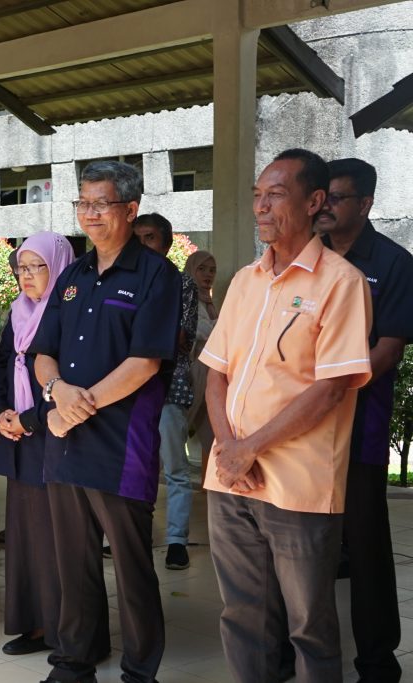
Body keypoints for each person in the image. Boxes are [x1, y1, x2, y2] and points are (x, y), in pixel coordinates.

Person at [201, 148, 372, 683]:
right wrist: (230, 448)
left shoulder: (341, 283)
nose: (260, 207)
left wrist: (250, 448)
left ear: (314, 201)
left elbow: (332, 387)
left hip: (298, 483)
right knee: (243, 615)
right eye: (257, 195)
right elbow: (217, 373)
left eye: (275, 194)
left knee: (309, 627)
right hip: (231, 480)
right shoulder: (246, 281)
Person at [30, 160, 180, 683]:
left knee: (133, 566)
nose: (89, 214)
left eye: (101, 204)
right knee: (74, 561)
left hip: (122, 444)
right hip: (65, 440)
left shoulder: (158, 275)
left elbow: (147, 362)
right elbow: (41, 351)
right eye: (83, 204)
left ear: (129, 209)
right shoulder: (72, 275)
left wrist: (77, 405)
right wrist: (56, 393)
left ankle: (140, 669)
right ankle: (75, 660)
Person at [317, 158, 413, 683]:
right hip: (300, 428)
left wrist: (325, 393)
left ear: (366, 203)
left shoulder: (394, 264)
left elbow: (388, 350)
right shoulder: (305, 257)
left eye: (336, 197)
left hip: (359, 425)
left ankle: (377, 663)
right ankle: (296, 651)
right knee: (301, 544)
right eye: (321, 196)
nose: (324, 206)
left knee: (367, 545)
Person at [0, 232, 89, 657]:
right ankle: (33, 625)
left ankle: (66, 631)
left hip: (56, 436)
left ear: (59, 265)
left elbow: (70, 379)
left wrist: (27, 418)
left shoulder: (72, 313)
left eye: (36, 267)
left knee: (58, 539)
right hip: (18, 437)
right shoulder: (17, 312)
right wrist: (0, 411)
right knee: (26, 536)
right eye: (21, 268)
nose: (26, 276)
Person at [133, 213, 198, 570]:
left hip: (168, 387)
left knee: (174, 468)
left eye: (151, 237)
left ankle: (176, 540)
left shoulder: (181, 284)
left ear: (168, 244)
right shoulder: (125, 280)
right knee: (133, 464)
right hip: (127, 391)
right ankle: (131, 532)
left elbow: (180, 339)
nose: (144, 245)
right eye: (138, 237)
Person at [184, 250, 218, 478]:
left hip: (207, 376)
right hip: (191, 375)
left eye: (212, 270)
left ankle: (209, 484)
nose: (208, 275)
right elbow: (200, 331)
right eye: (202, 269)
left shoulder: (208, 302)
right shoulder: (187, 298)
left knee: (211, 432)